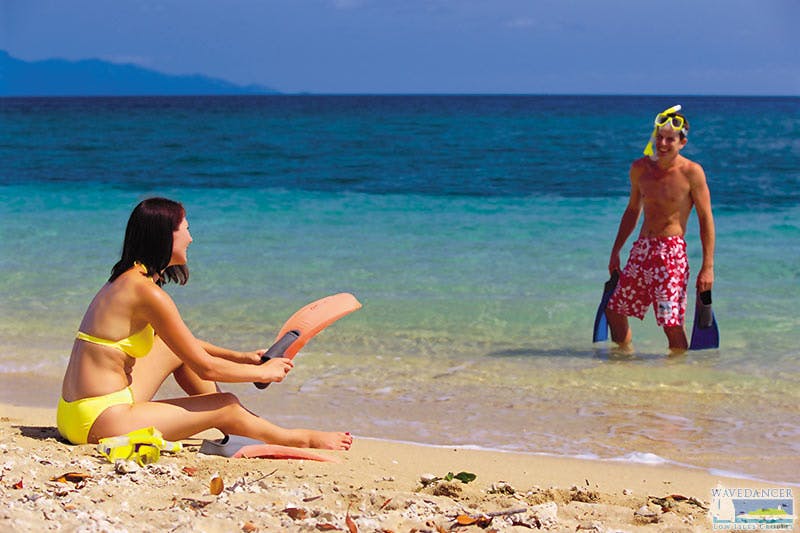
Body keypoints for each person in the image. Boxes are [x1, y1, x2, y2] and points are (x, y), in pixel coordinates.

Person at [57, 197, 353, 450]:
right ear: (166, 237)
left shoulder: (127, 280)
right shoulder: (147, 293)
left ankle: (235, 425)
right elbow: (205, 368)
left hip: (78, 411)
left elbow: (184, 346)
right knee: (226, 402)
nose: (191, 238)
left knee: (172, 350)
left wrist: (242, 357)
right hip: (99, 421)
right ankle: (295, 438)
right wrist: (263, 372)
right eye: (186, 229)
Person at [605, 105, 715, 353]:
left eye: (670, 139)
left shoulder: (692, 173)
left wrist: (707, 267)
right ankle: (622, 362)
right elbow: (633, 211)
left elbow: (705, 218)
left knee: (670, 322)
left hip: (671, 254)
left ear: (682, 142)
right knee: (614, 309)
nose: (663, 143)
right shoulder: (640, 169)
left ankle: (675, 382)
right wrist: (616, 251)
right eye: (659, 137)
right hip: (642, 249)